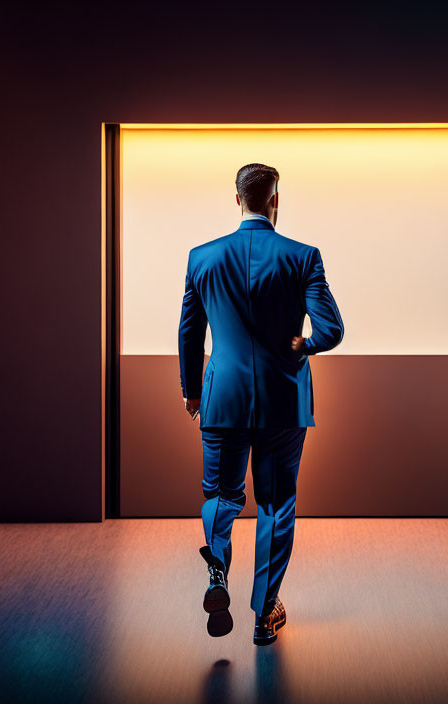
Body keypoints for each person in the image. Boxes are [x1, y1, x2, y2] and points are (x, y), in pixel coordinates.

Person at [177, 163, 344, 645]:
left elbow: (190, 332)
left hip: (221, 400)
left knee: (221, 496)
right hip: (281, 402)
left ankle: (217, 575)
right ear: (275, 199)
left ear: (237, 200)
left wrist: (191, 390)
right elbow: (331, 329)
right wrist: (302, 346)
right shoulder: (302, 256)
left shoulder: (202, 258)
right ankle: (264, 613)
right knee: (276, 504)